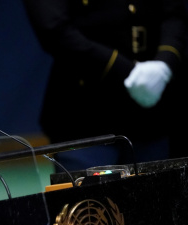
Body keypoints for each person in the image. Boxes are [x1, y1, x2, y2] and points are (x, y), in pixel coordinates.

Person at [22, 0, 188, 171]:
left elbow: (174, 13)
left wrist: (165, 64)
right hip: (85, 117)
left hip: (155, 115)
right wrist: (127, 72)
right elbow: (53, 28)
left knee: (160, 195)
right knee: (90, 197)